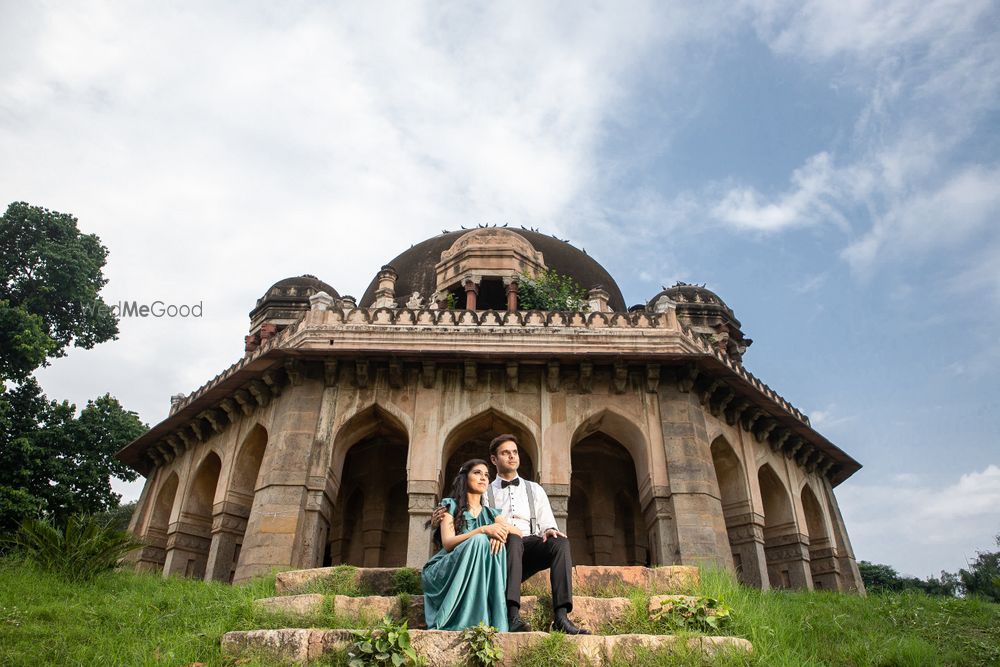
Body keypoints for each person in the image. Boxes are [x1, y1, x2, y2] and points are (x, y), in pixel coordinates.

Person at [433, 434, 590, 635]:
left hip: (531, 544)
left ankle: (561, 616)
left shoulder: (535, 489)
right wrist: (441, 515)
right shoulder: (484, 491)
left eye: (514, 452)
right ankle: (511, 615)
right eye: (505, 453)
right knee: (513, 538)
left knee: (560, 543)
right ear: (494, 459)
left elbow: (547, 522)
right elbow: (468, 512)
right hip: (500, 551)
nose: (512, 457)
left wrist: (550, 529)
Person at [422, 459, 510, 631]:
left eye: (486, 475)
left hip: (478, 565)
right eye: (477, 473)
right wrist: (483, 530)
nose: (483, 478)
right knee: (479, 541)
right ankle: (467, 620)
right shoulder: (450, 505)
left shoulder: (492, 513)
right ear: (465, 477)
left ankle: (490, 618)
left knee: (496, 545)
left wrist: (499, 534)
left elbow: (516, 532)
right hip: (445, 569)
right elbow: (448, 543)